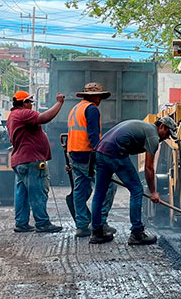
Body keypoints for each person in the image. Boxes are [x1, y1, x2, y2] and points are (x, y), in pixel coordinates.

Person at [88, 117, 177, 245]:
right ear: (162, 126)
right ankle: (137, 233)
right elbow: (149, 168)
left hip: (100, 152)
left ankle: (96, 233)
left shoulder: (144, 128)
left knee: (99, 193)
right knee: (136, 190)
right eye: (168, 133)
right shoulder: (153, 136)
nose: (167, 138)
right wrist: (153, 192)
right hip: (114, 152)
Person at [7, 90, 65, 233]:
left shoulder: (12, 116)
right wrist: (59, 103)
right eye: (30, 102)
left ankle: (21, 223)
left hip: (20, 160)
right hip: (31, 159)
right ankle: (42, 222)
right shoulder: (23, 113)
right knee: (38, 191)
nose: (31, 105)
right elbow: (45, 117)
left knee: (22, 193)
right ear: (23, 103)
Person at [66, 83, 117, 238]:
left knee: (80, 189)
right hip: (88, 155)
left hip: (74, 154)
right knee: (109, 185)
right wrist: (101, 154)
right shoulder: (92, 109)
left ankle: (81, 226)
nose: (100, 99)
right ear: (93, 96)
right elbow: (93, 135)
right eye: (99, 96)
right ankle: (100, 223)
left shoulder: (75, 109)